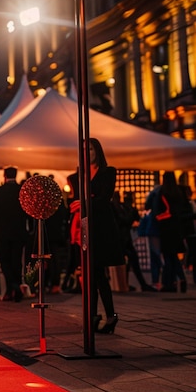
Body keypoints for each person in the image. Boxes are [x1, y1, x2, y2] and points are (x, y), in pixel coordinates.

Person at [69, 138, 123, 334]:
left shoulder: (108, 172)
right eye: (83, 149)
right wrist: (86, 201)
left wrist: (84, 203)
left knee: (97, 274)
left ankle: (105, 315)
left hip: (101, 228)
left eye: (90, 149)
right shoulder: (77, 176)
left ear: (97, 151)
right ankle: (98, 316)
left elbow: (104, 198)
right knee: (91, 275)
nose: (87, 152)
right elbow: (76, 201)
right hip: (84, 229)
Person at [0, 166, 30, 302]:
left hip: (3, 232)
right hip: (19, 232)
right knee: (16, 261)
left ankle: (13, 287)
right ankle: (15, 289)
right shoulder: (22, 190)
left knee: (5, 261)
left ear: (4, 175)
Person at [156, 171, 190, 292]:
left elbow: (159, 210)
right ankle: (181, 279)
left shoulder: (163, 193)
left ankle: (170, 283)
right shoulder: (179, 193)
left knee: (168, 256)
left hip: (166, 228)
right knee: (174, 255)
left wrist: (158, 218)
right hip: (177, 228)